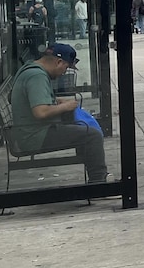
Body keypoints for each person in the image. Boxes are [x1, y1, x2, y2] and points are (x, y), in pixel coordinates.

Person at [10, 43, 109, 184]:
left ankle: (93, 172)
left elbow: (30, 98)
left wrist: (55, 101)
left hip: (29, 131)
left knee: (82, 128)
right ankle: (99, 182)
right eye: (67, 67)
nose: (64, 72)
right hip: (35, 136)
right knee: (92, 135)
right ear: (59, 62)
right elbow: (41, 112)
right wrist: (66, 106)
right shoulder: (37, 76)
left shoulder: (30, 69)